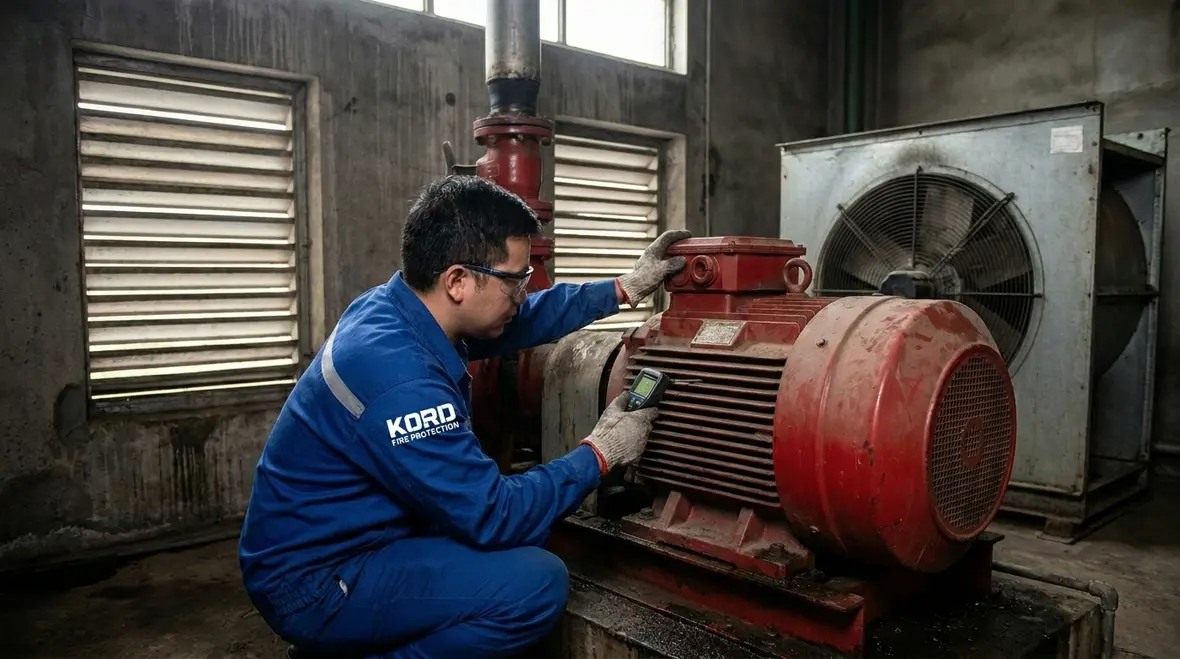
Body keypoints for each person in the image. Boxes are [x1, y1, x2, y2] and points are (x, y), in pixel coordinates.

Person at [238, 174, 691, 659]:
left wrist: (622, 289)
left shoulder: (396, 307)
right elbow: (493, 514)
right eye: (516, 280)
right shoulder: (402, 382)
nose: (523, 293)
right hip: (317, 581)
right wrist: (600, 453)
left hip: (348, 535)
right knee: (535, 583)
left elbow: (522, 319)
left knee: (532, 528)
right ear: (457, 280)